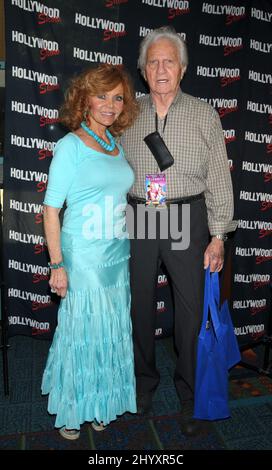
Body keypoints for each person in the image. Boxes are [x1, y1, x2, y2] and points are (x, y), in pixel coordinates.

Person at [122, 27, 237, 435]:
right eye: (152, 62)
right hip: (140, 215)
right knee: (137, 305)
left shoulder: (205, 113)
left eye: (169, 60)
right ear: (143, 70)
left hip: (188, 217)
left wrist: (219, 235)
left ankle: (190, 394)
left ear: (183, 68)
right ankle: (141, 385)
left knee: (190, 313)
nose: (161, 68)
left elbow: (220, 182)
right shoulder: (128, 112)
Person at [41, 64, 139, 440]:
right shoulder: (70, 146)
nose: (110, 105)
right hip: (82, 255)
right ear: (84, 98)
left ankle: (101, 402)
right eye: (102, 96)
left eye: (117, 98)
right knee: (83, 330)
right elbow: (51, 210)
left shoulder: (115, 143)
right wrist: (57, 265)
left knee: (109, 332)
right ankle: (71, 410)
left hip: (116, 251)